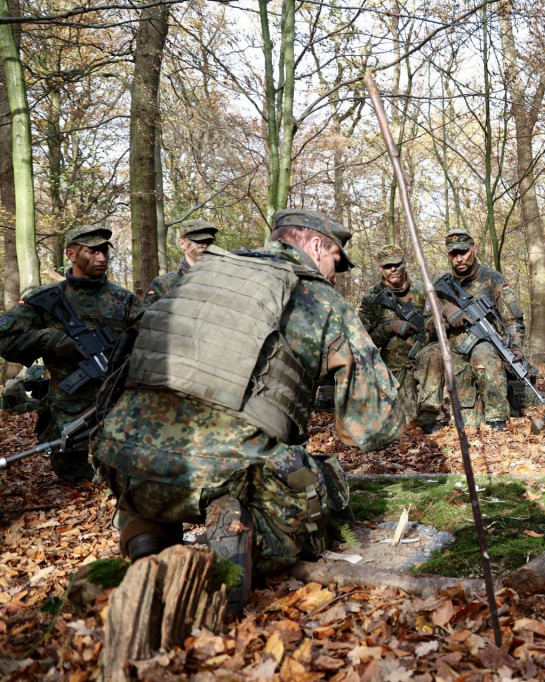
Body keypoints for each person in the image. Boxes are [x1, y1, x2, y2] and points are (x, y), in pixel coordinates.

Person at [91, 209, 405, 613]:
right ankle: (239, 528)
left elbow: (121, 371)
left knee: (149, 475)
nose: (335, 275)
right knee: (319, 486)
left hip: (126, 462)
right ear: (315, 246)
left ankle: (146, 542)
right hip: (228, 471)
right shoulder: (320, 299)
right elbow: (374, 426)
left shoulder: (199, 277)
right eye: (335, 261)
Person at [0, 224, 143, 481]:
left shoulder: (125, 300)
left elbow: (154, 342)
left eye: (104, 251)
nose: (101, 257)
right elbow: (5, 340)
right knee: (78, 478)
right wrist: (49, 339)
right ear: (71, 254)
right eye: (92, 251)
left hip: (120, 412)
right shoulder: (45, 299)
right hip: (70, 417)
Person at [432, 228, 526, 430]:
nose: (459, 259)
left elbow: (513, 319)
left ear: (474, 249)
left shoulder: (493, 279)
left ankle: (497, 419)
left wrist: (516, 347)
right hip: (455, 354)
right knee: (468, 423)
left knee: (484, 351)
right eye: (453, 254)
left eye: (463, 252)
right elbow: (426, 326)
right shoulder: (440, 285)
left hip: (486, 353)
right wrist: (445, 312)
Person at [358, 244, 445, 433]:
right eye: (387, 266)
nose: (393, 269)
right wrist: (389, 327)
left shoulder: (423, 291)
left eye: (396, 264)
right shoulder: (372, 298)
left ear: (404, 263)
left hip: (423, 358)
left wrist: (428, 327)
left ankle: (431, 415)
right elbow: (362, 341)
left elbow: (439, 324)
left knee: (434, 353)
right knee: (404, 420)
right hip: (395, 368)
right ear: (380, 268)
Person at [143, 219, 219, 306]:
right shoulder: (164, 284)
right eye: (198, 241)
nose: (204, 245)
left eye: (208, 242)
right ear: (182, 243)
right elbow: (148, 313)